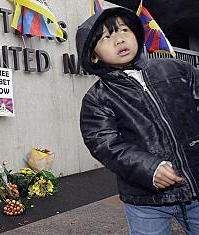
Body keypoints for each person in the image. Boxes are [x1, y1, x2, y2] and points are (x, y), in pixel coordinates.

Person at [76, 7, 199, 235]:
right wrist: (150, 169)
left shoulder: (176, 68)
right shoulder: (97, 98)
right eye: (106, 37)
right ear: (93, 55)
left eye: (124, 30)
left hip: (196, 183)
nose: (119, 39)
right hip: (145, 199)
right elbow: (104, 144)